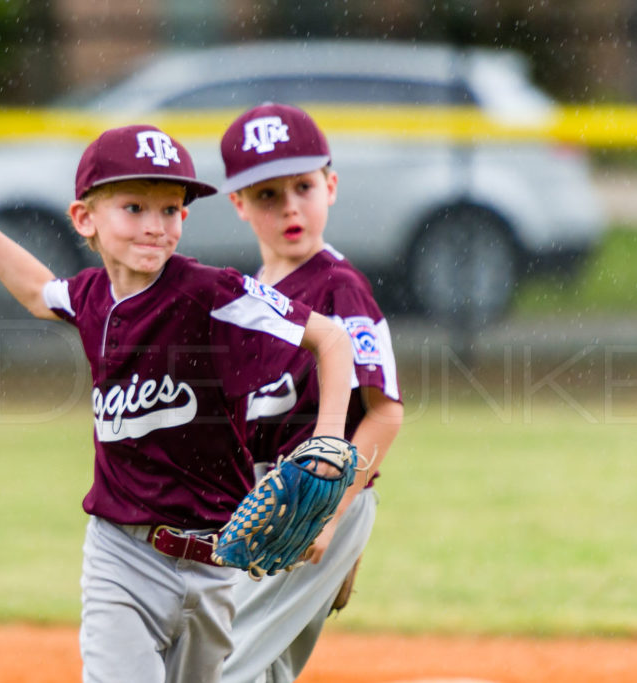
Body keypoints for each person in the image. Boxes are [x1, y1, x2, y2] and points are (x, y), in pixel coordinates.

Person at [0, 124, 355, 683]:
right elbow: (38, 291)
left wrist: (328, 448)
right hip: (123, 556)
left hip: (216, 563)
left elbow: (331, 339)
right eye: (133, 206)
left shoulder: (215, 293)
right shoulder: (90, 298)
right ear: (85, 218)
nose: (154, 225)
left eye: (169, 209)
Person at [218, 103, 405, 683]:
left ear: (331, 185)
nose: (291, 206)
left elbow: (384, 415)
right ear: (239, 204)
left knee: (215, 664)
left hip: (309, 502)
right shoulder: (247, 299)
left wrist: (332, 519)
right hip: (257, 501)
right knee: (260, 668)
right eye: (268, 194)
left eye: (303, 186)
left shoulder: (338, 286)